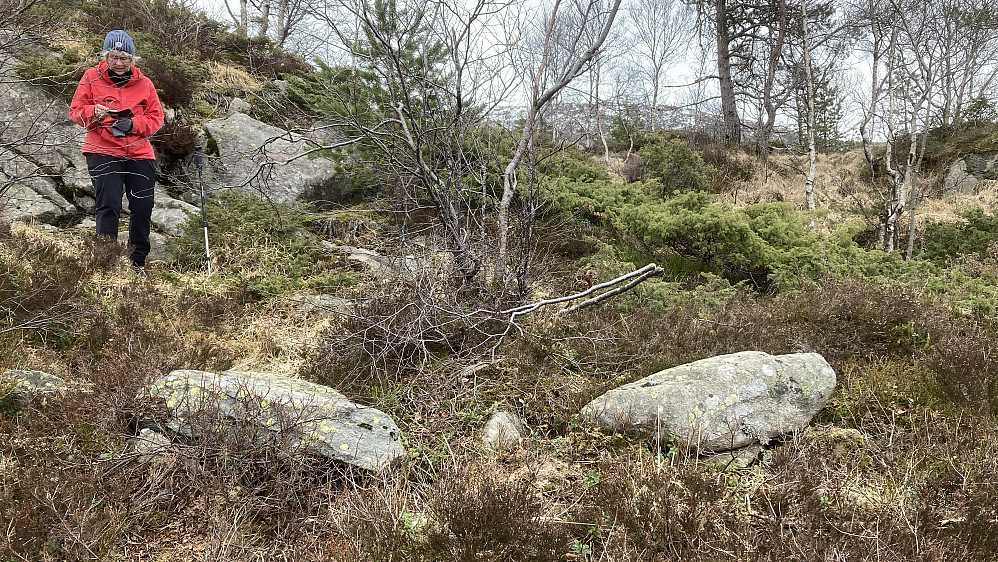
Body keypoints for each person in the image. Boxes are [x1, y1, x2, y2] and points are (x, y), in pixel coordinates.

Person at [69, 30, 164, 274]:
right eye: (114, 57)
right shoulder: (91, 77)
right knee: (109, 204)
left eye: (124, 58)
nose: (119, 63)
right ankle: (106, 262)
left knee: (143, 207)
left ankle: (137, 262)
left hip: (139, 152)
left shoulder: (145, 84)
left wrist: (133, 124)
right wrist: (93, 112)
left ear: (133, 59)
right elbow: (75, 111)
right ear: (106, 56)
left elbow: (155, 118)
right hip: (101, 149)